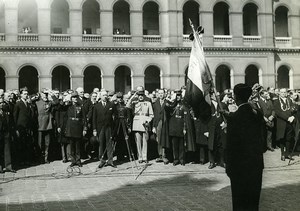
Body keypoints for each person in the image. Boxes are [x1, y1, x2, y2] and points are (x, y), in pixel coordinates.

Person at [225, 83, 266, 211]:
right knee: (253, 201)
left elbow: (231, 145)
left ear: (236, 97)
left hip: (239, 166)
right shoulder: (257, 114)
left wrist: (228, 165)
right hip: (256, 164)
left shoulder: (234, 118)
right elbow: (263, 141)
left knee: (240, 201)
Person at [164, 89, 195, 166]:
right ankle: (176, 159)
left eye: (179, 95)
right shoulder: (172, 105)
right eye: (177, 95)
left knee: (182, 146)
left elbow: (186, 116)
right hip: (174, 128)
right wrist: (170, 99)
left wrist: (185, 127)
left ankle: (182, 159)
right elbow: (166, 107)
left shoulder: (184, 105)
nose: (178, 97)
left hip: (181, 128)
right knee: (174, 146)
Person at [127, 89, 154, 163]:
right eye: (139, 95)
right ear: (137, 96)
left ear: (144, 96)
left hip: (145, 122)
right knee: (138, 141)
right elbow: (127, 106)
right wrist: (132, 97)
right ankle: (140, 157)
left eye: (142, 95)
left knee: (145, 141)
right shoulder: (134, 103)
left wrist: (148, 120)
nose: (141, 97)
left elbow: (151, 115)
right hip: (137, 122)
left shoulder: (148, 103)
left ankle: (145, 157)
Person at [93, 90, 116, 168]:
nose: (105, 97)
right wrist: (94, 129)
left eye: (106, 95)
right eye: (103, 95)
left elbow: (115, 116)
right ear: (100, 96)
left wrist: (113, 127)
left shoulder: (111, 105)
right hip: (100, 127)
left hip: (109, 127)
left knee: (109, 144)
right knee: (101, 144)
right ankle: (102, 160)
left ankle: (110, 160)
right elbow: (94, 118)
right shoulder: (96, 106)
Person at [64, 92, 87, 167]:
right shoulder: (68, 106)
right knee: (72, 145)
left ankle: (78, 160)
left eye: (76, 97)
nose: (75, 99)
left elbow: (84, 118)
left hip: (78, 126)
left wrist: (84, 128)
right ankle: (73, 160)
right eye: (73, 97)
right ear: (71, 98)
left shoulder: (80, 106)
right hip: (70, 126)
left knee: (78, 145)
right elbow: (61, 107)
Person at [273, 88, 296, 161]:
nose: (283, 93)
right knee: (282, 138)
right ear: (279, 93)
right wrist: (287, 118)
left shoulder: (289, 100)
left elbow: (293, 108)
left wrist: (293, 116)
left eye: (284, 92)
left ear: (286, 93)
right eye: (282, 92)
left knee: (288, 138)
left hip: (290, 122)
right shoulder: (276, 101)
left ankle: (288, 153)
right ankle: (283, 154)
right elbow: (278, 112)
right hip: (282, 122)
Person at [14, 87, 32, 167]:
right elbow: (15, 117)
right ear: (21, 95)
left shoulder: (28, 104)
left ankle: (26, 161)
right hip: (20, 127)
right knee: (20, 144)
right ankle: (20, 161)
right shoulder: (18, 104)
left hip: (27, 127)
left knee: (26, 144)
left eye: (27, 94)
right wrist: (16, 128)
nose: (26, 95)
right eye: (24, 94)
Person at [0, 90, 16, 173]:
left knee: (7, 148)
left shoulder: (6, 106)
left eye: (2, 96)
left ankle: (8, 166)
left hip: (6, 130)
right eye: (0, 96)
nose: (1, 98)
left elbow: (10, 118)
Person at [35, 91, 53, 163]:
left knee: (47, 143)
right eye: (43, 95)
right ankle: (39, 158)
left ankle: (46, 158)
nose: (45, 96)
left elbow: (56, 102)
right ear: (40, 96)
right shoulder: (37, 103)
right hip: (40, 125)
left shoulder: (49, 102)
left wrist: (51, 94)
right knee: (40, 143)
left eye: (46, 95)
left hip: (48, 125)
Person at [152, 89, 168, 164]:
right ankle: (160, 155)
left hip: (165, 123)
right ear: (158, 94)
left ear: (165, 94)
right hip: (158, 123)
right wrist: (154, 126)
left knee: (164, 139)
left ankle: (164, 155)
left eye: (162, 93)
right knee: (158, 139)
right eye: (159, 93)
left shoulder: (167, 102)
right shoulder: (155, 103)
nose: (161, 95)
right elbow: (154, 116)